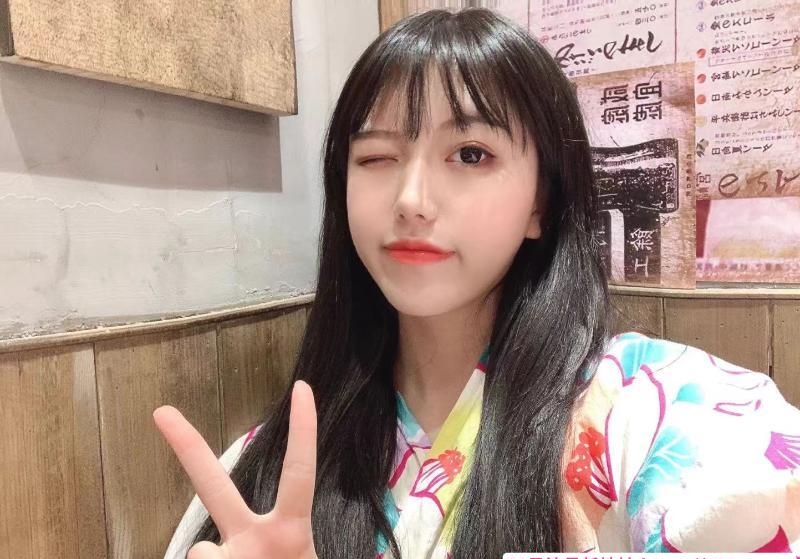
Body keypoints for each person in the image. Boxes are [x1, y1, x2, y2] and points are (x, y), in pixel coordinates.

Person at [154, 8, 800, 559]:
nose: (411, 199)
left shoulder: (664, 411)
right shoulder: (262, 473)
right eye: (376, 156)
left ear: (542, 202)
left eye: (470, 154)